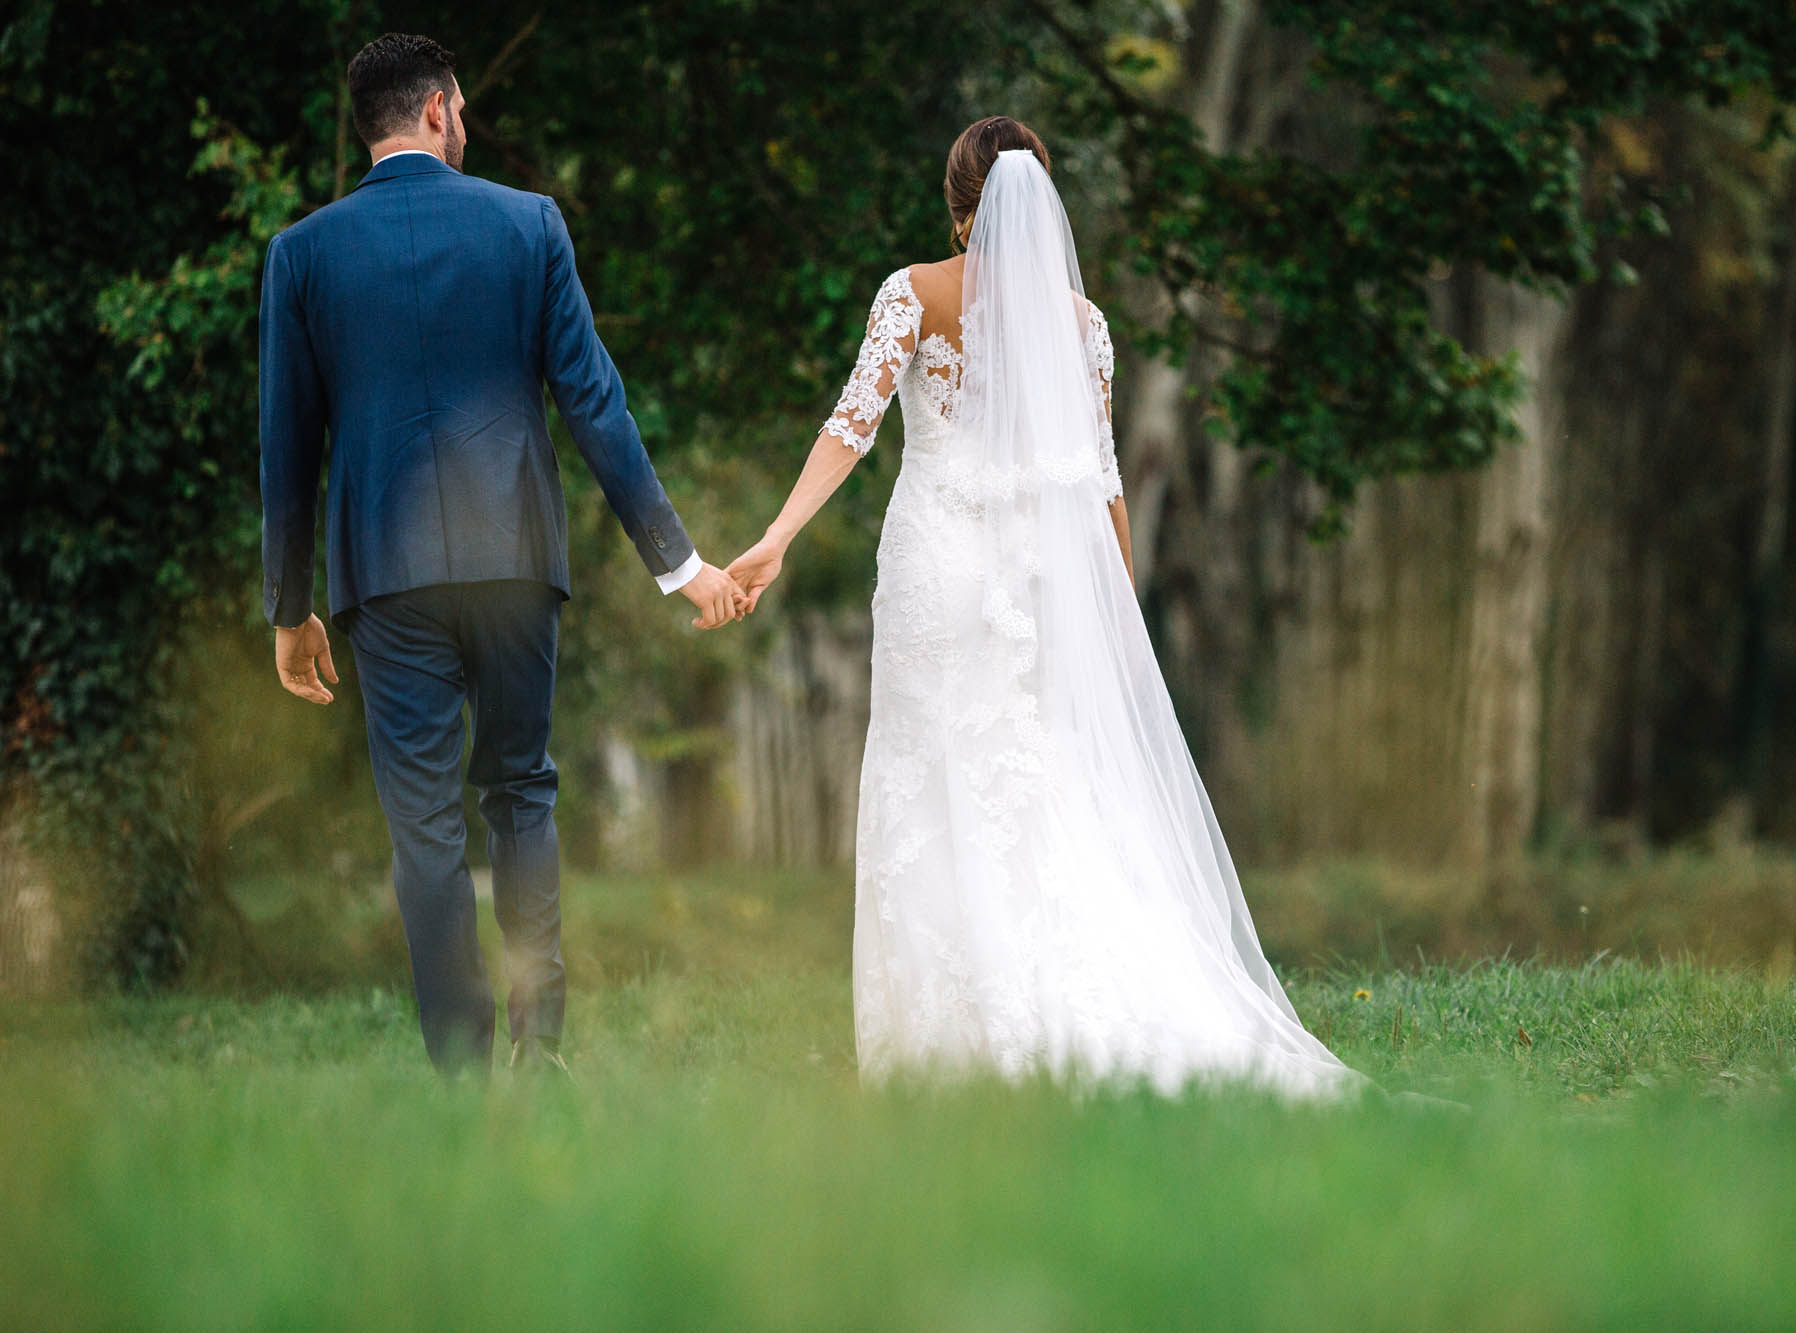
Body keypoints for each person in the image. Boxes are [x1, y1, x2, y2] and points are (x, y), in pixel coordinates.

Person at [727, 118, 1366, 1099]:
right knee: (1030, 774)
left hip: (937, 565)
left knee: (929, 774)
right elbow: (1101, 480)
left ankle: (949, 1036)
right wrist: (1112, 614)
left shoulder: (911, 294)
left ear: (955, 202)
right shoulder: (1082, 324)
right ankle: (1032, 1007)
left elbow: (849, 429)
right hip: (1030, 577)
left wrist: (775, 536)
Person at [259, 32, 744, 1076]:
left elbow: (286, 447)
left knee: (423, 826)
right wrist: (680, 563)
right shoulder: (528, 225)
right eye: (464, 110)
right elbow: (595, 406)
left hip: (383, 577)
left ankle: (458, 1063)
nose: (467, 126)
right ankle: (542, 1043)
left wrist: (287, 607)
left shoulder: (301, 254)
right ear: (437, 110)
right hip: (515, 555)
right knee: (520, 791)